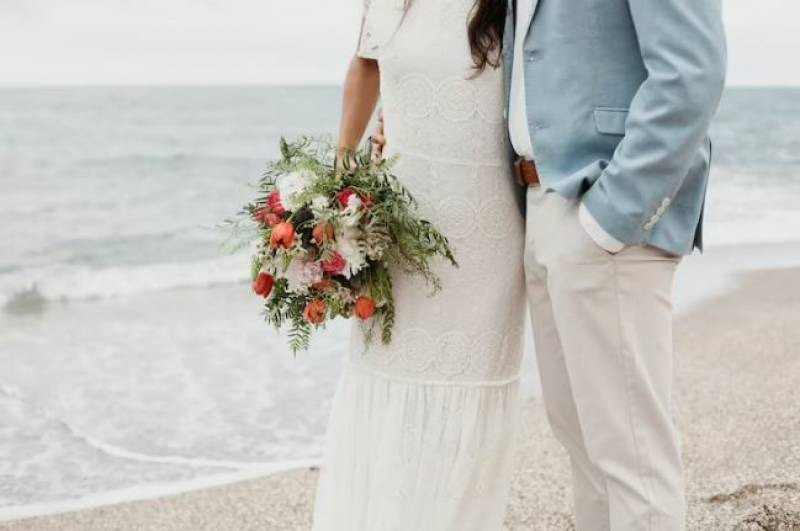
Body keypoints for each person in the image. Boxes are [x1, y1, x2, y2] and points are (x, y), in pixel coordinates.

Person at [506, 0, 726, 529]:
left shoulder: (605, 219)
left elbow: (692, 72)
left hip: (601, 207)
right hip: (540, 201)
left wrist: (611, 217)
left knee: (634, 459)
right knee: (584, 445)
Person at [311, 1, 526, 530]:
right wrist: (342, 182)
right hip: (400, 225)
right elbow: (366, 65)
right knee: (387, 380)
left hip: (488, 230)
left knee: (467, 397)